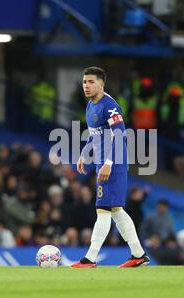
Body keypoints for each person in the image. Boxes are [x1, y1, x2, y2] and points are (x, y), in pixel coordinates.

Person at [72, 66, 149, 268]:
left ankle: (89, 258)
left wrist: (108, 163)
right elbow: (94, 134)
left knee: (103, 210)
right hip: (103, 163)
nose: (86, 86)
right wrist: (84, 153)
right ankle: (138, 254)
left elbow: (119, 134)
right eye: (84, 82)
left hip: (113, 163)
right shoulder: (90, 105)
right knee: (116, 211)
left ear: (101, 84)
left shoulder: (110, 106)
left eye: (91, 82)